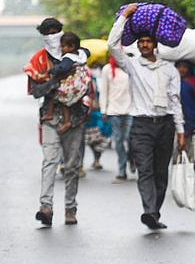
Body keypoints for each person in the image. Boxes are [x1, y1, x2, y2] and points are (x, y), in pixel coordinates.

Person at [107, 3, 185, 230]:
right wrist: (123, 16)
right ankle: (149, 211)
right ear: (138, 45)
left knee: (161, 173)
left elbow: (175, 101)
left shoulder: (170, 69)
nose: (144, 45)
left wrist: (181, 131)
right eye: (140, 42)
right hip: (141, 126)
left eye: (147, 41)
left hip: (166, 125)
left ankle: (154, 213)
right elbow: (112, 46)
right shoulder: (132, 65)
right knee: (145, 170)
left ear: (155, 44)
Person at [25, 18, 89, 227]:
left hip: (75, 117)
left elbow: (87, 83)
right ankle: (46, 207)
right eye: (48, 33)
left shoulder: (77, 53)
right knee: (50, 162)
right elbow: (35, 91)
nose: (53, 36)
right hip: (50, 118)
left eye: (56, 32)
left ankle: (70, 208)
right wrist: (55, 81)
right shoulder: (39, 60)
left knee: (71, 166)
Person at [39, 32, 90, 134]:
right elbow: (88, 52)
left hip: (72, 83)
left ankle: (60, 119)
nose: (61, 49)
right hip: (82, 82)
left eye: (63, 46)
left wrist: (51, 70)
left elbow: (62, 68)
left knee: (59, 96)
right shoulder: (82, 54)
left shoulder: (68, 58)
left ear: (71, 46)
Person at [100, 56, 133, 181]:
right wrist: (104, 110)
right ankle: (122, 169)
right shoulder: (107, 69)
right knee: (118, 141)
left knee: (131, 139)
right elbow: (104, 91)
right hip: (114, 110)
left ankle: (132, 158)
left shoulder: (129, 68)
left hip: (130, 109)